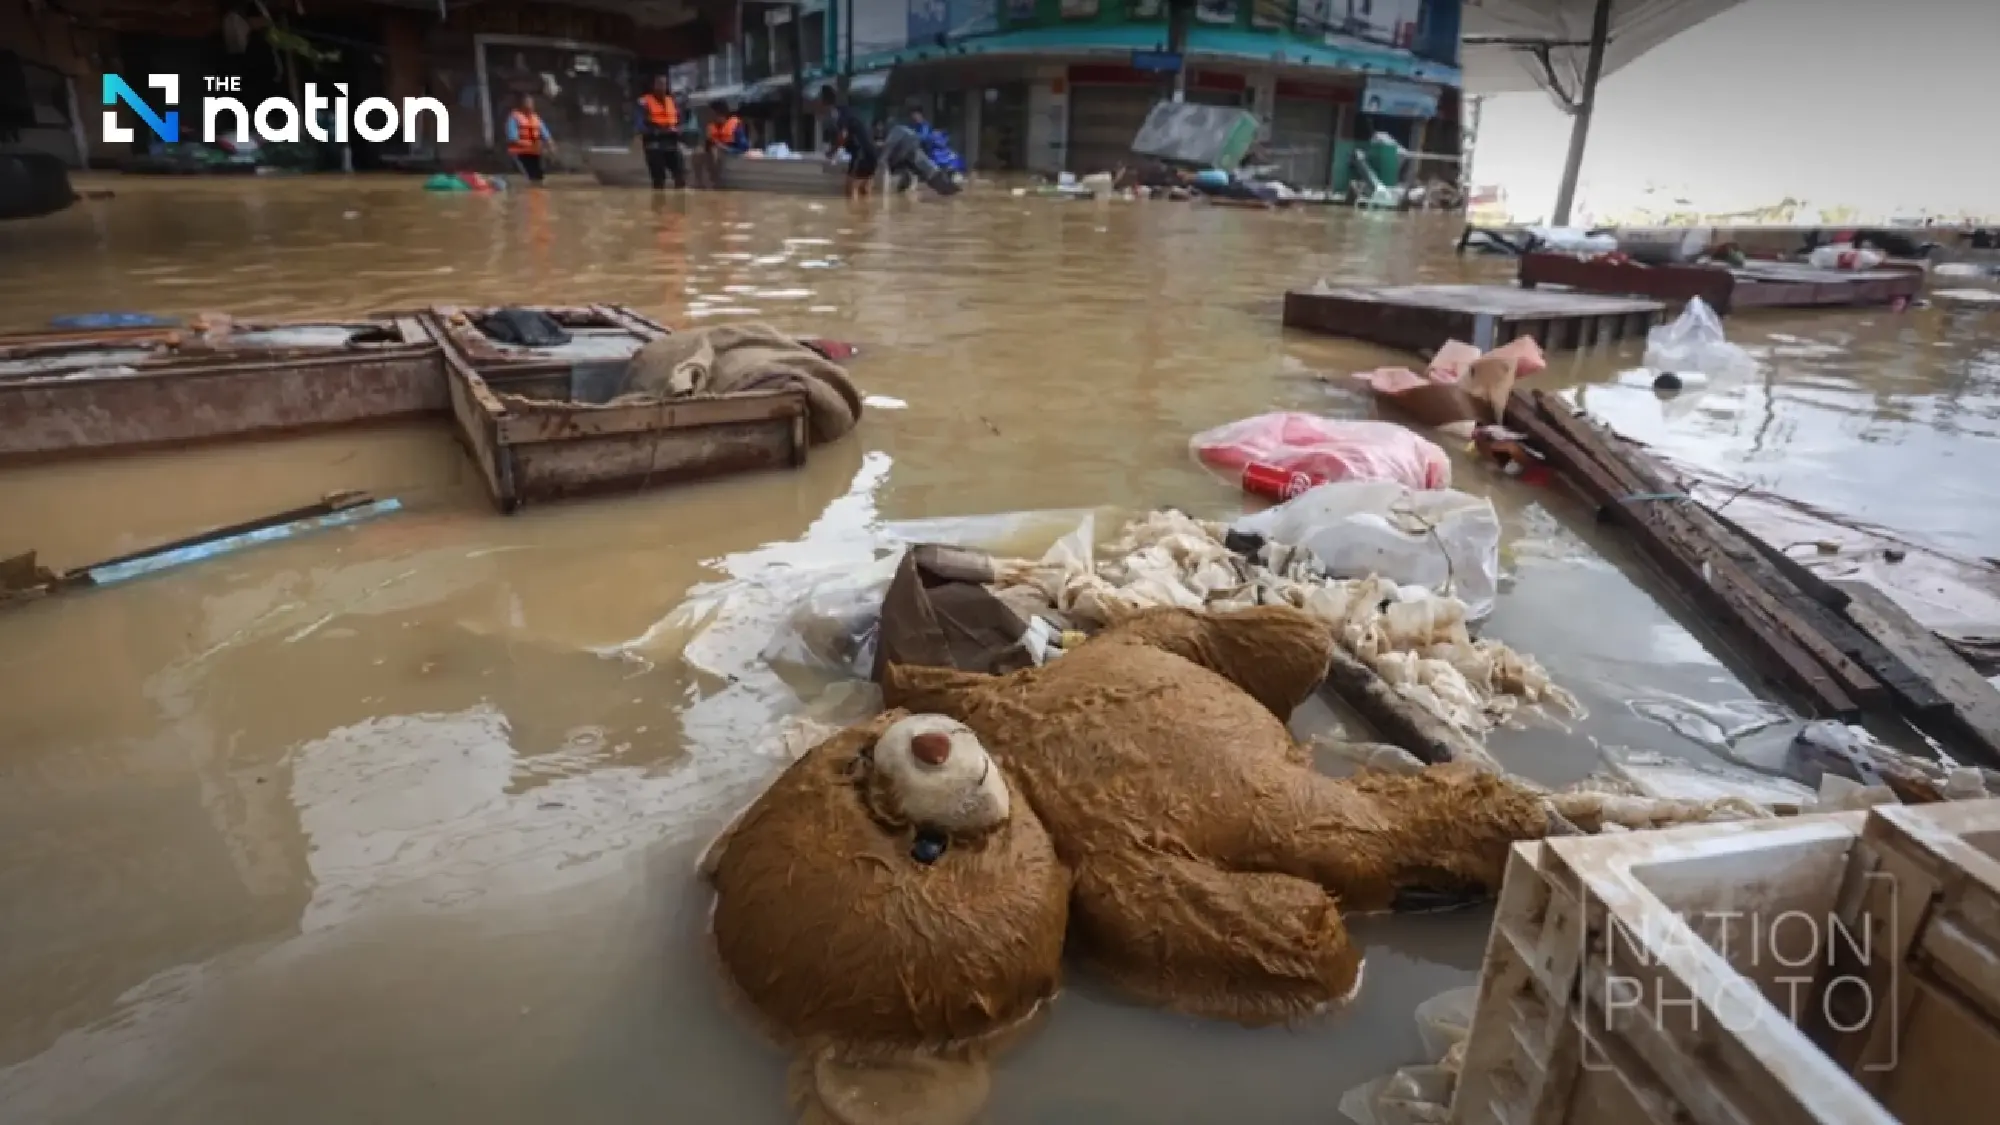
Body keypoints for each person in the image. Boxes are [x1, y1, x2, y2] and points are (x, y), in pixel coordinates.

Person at [819, 86, 876, 200]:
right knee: (864, 191)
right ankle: (867, 211)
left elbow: (843, 135)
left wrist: (833, 151)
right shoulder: (850, 111)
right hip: (872, 154)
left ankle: (853, 211)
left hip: (860, 154)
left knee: (850, 190)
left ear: (825, 101)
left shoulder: (838, 113)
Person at [634, 75, 686, 190]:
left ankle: (680, 199)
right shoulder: (644, 102)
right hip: (654, 141)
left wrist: (679, 129)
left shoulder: (672, 101)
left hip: (671, 141)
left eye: (664, 84)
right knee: (659, 178)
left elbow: (680, 120)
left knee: (680, 175)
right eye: (659, 84)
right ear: (653, 86)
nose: (661, 87)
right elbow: (639, 123)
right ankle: (658, 199)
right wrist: (652, 131)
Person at [697, 99, 750, 188]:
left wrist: (726, 149)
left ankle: (715, 181)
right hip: (714, 151)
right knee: (697, 152)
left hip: (730, 151)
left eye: (711, 113)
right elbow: (707, 145)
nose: (709, 116)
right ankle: (699, 181)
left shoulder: (735, 125)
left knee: (716, 151)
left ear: (719, 113)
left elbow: (744, 148)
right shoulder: (711, 126)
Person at [506, 93, 552, 184]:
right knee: (528, 179)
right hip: (520, 153)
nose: (530, 105)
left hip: (534, 152)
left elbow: (546, 134)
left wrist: (551, 145)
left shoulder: (535, 118)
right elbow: (513, 139)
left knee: (539, 179)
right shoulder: (514, 118)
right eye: (527, 102)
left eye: (531, 103)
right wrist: (532, 144)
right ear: (521, 104)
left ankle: (537, 190)